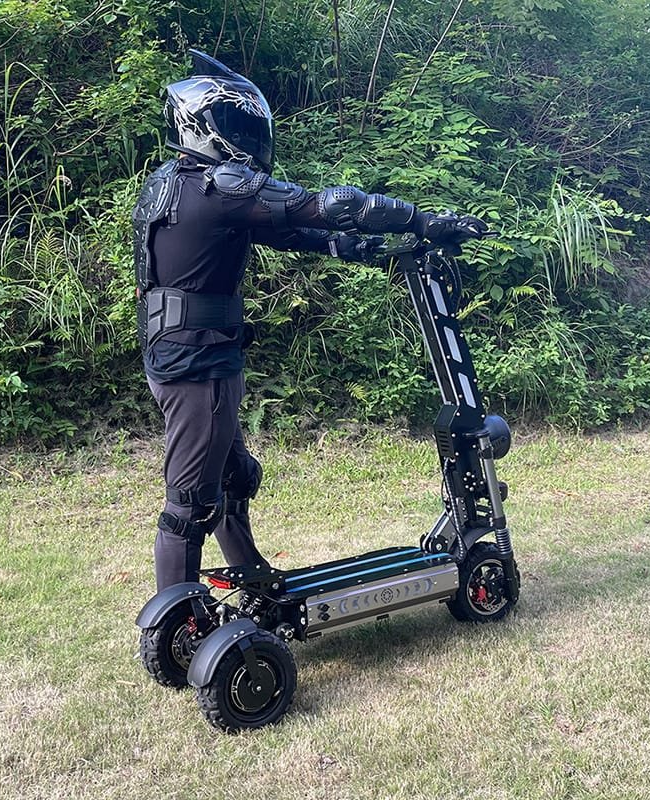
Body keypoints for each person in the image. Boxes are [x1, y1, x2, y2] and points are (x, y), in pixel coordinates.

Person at [133, 49, 488, 592]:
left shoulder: (173, 183)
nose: (246, 139)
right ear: (200, 125)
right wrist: (424, 221)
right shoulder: (217, 187)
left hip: (178, 352)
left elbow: (297, 233)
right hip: (198, 361)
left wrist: (370, 249)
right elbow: (327, 207)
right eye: (234, 125)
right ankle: (177, 626)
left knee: (233, 476)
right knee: (190, 503)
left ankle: (249, 577)